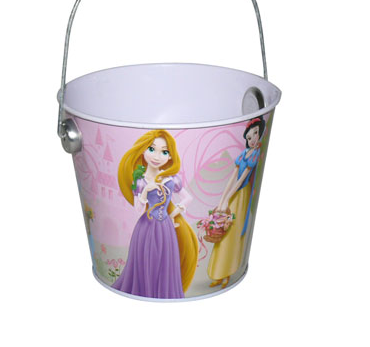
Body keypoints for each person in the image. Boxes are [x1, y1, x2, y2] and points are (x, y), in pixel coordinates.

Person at [112, 130, 198, 299]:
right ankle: (144, 293)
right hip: (145, 227)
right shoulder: (139, 180)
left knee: (165, 262)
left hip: (165, 227)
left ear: (170, 156)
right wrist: (145, 191)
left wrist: (174, 213)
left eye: (164, 152)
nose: (157, 156)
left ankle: (162, 294)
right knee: (145, 260)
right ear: (143, 150)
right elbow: (138, 210)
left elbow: (188, 197)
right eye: (152, 149)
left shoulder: (171, 179)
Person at [207, 116, 265, 288]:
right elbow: (232, 177)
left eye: (256, 134)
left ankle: (228, 274)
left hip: (241, 196)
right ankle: (218, 274)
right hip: (233, 195)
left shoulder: (255, 154)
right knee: (223, 232)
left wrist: (228, 199)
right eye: (249, 137)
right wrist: (222, 200)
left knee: (232, 232)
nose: (252, 139)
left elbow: (241, 180)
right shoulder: (243, 154)